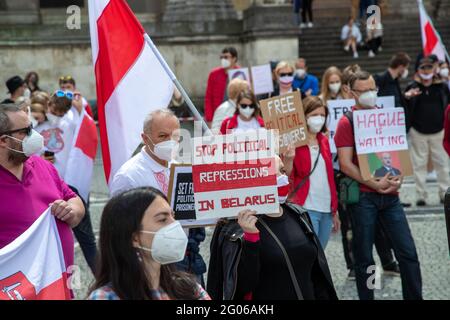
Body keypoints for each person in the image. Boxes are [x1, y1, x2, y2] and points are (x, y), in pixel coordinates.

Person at [334, 70, 422, 300]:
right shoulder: (346, 122)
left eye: (373, 89)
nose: (370, 95)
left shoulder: (385, 116)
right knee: (365, 259)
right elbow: (345, 163)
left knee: (408, 253)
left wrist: (399, 177)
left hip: (391, 196)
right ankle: (368, 297)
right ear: (352, 93)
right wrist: (373, 183)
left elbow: (397, 153)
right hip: (364, 199)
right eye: (364, 91)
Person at [207, 155, 338, 300]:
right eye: (277, 173)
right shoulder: (234, 229)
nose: (284, 177)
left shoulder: (298, 214)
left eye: (283, 171)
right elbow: (241, 287)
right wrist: (250, 240)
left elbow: (316, 275)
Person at [110, 108, 207, 286]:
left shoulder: (180, 167)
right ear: (145, 138)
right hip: (151, 265)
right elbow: (119, 230)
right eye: (163, 136)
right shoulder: (129, 176)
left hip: (187, 257)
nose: (170, 142)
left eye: (176, 136)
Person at [0, 104, 85, 271]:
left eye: (32, 127)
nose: (35, 135)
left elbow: (73, 199)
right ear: (3, 140)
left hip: (61, 282)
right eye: (26, 131)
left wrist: (71, 211)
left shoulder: (42, 165)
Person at [88, 187, 210, 300]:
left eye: (173, 217)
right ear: (134, 238)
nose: (175, 225)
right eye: (162, 219)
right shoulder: (105, 297)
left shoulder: (190, 289)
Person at [283, 96, 340, 249]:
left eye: (322, 115)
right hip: (306, 207)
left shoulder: (324, 140)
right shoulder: (295, 143)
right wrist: (288, 160)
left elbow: (329, 177)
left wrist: (335, 210)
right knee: (310, 254)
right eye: (314, 115)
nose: (319, 119)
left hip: (327, 210)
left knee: (320, 255)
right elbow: (287, 177)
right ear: (304, 116)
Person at [404, 55, 450, 206]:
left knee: (443, 164)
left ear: (434, 69)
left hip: (439, 131)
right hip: (418, 132)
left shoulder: (442, 87)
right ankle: (420, 195)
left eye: (429, 67)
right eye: (423, 67)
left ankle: (445, 194)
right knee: (419, 165)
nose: (426, 70)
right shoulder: (412, 87)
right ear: (418, 70)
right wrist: (407, 97)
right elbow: (404, 105)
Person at [204, 47, 240, 126]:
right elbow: (208, 97)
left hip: (236, 115)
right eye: (222, 57)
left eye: (226, 57)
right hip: (218, 115)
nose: (223, 59)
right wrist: (209, 119)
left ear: (234, 58)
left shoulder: (241, 73)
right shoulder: (214, 74)